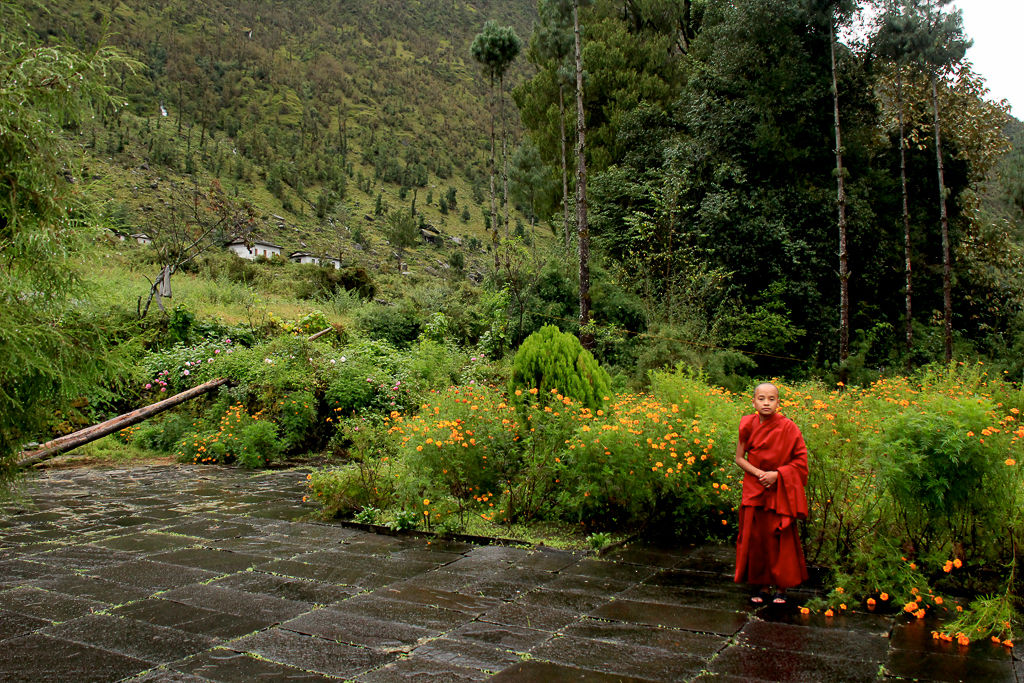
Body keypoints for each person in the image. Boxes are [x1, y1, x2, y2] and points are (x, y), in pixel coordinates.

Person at [734, 382, 809, 605]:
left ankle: (781, 587)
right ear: (754, 401)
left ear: (778, 401)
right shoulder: (747, 424)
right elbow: (739, 458)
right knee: (757, 539)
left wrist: (777, 475)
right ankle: (763, 586)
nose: (766, 403)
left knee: (780, 537)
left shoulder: (788, 427)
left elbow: (800, 462)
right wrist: (760, 474)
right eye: (761, 398)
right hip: (756, 487)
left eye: (771, 399)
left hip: (780, 490)